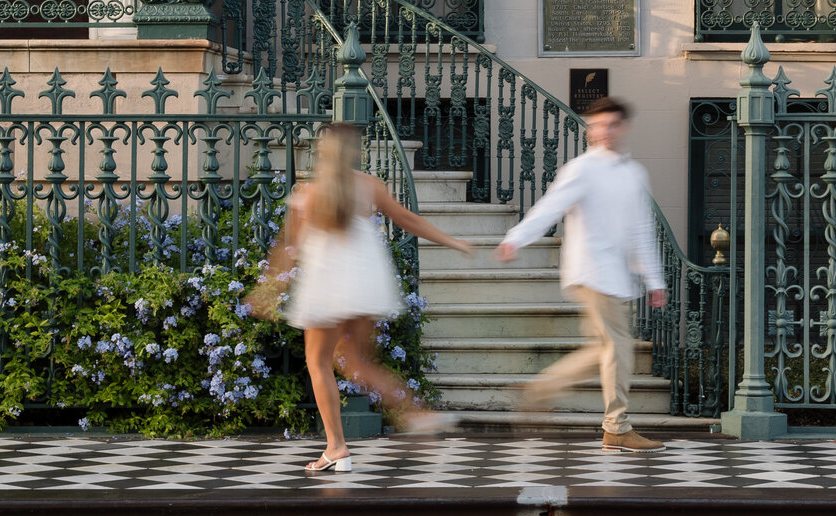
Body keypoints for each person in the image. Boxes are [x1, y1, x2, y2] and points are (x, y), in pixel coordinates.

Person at [277, 122, 474, 473]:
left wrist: (267, 289)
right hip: (363, 283)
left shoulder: (308, 193)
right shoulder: (369, 186)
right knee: (357, 364)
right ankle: (417, 413)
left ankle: (336, 446)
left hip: (326, 285)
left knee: (319, 363)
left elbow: (288, 249)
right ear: (354, 151)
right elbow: (407, 220)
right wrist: (453, 240)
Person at [495, 96, 667, 451]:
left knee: (604, 350)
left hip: (617, 276)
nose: (604, 131)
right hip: (592, 272)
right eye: (597, 125)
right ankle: (616, 427)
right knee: (618, 347)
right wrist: (517, 238)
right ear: (590, 130)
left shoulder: (634, 174)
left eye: (612, 124)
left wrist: (654, 279)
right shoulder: (581, 168)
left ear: (624, 128)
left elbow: (640, 231)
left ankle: (540, 389)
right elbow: (550, 206)